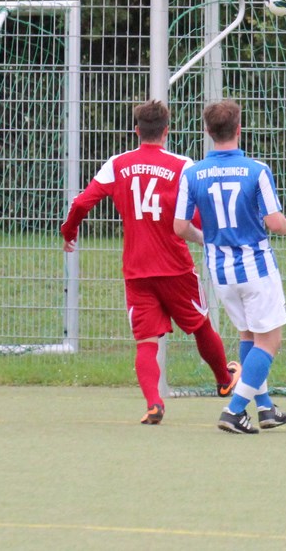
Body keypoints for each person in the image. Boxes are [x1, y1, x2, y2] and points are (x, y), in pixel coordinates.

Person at [60, 99, 238, 424]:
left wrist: (69, 231)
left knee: (146, 342)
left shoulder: (118, 164)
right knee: (200, 325)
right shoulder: (183, 166)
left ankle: (154, 403)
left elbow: (82, 202)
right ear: (166, 131)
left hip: (137, 270)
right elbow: (198, 212)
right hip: (176, 268)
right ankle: (224, 382)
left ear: (136, 130)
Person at [174, 100, 286, 434]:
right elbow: (274, 222)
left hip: (221, 271)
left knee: (248, 335)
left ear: (207, 132)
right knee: (269, 341)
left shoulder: (193, 173)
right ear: (239, 129)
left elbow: (180, 227)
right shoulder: (256, 169)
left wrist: (208, 240)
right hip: (255, 268)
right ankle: (233, 410)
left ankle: (265, 408)